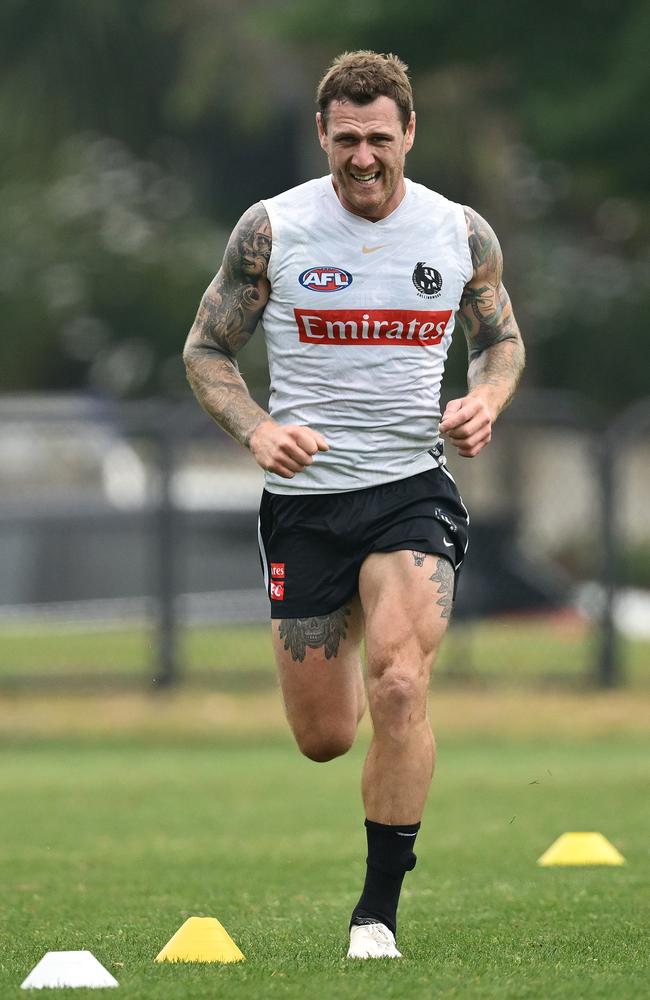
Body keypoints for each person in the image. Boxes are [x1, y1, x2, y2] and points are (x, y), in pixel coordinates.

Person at [183, 50, 525, 960]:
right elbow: (206, 350)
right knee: (327, 736)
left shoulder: (459, 232)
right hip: (304, 502)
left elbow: (500, 341)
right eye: (347, 139)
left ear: (409, 132)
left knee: (403, 684)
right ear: (322, 135)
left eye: (380, 138)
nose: (364, 157)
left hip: (412, 489)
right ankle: (363, 771)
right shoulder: (272, 229)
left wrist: (484, 400)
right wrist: (258, 430)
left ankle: (376, 914)